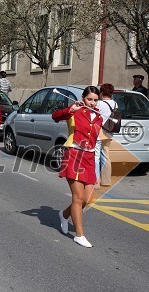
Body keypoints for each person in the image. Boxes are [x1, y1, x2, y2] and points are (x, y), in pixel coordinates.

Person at [52, 86, 103, 248]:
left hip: (89, 157)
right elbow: (55, 116)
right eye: (89, 99)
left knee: (87, 199)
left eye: (95, 100)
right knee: (78, 197)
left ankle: (64, 215)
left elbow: (95, 141)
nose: (93, 102)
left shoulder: (98, 117)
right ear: (83, 98)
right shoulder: (74, 111)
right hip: (74, 154)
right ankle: (79, 235)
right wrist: (70, 108)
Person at [95, 83, 117, 188]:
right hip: (109, 132)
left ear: (102, 92)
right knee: (106, 156)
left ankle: (96, 182)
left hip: (99, 131)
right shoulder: (115, 104)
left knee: (96, 157)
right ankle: (106, 181)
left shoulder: (99, 104)